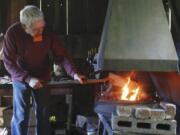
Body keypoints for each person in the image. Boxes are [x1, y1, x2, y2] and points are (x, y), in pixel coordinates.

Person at [3, 5, 85, 135]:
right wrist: (28, 79)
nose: (41, 32)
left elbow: (62, 55)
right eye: (36, 29)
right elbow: (8, 62)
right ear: (25, 27)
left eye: (42, 27)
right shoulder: (13, 34)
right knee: (21, 115)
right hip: (21, 77)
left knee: (44, 114)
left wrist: (74, 73)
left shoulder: (47, 32)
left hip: (42, 76)